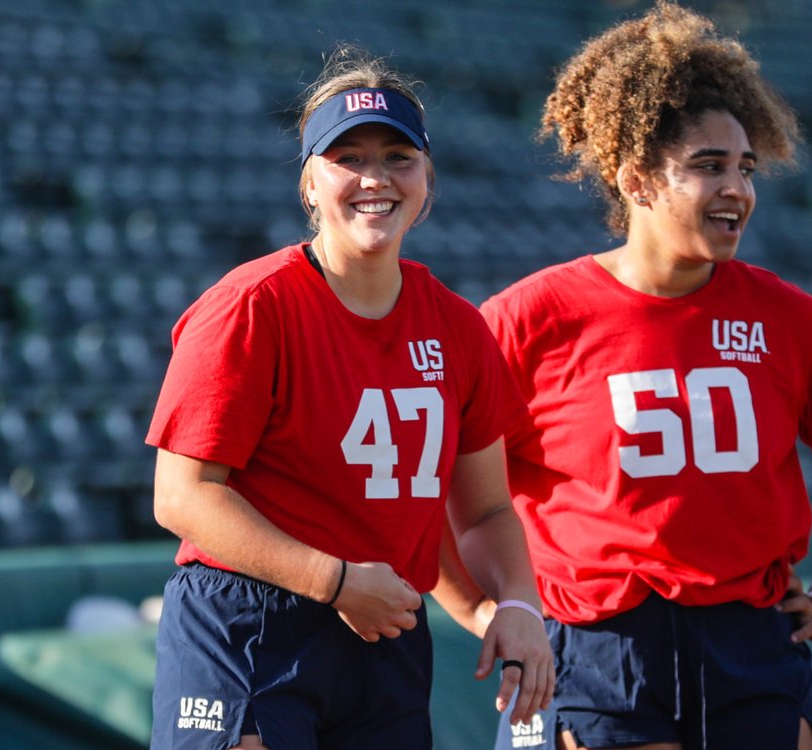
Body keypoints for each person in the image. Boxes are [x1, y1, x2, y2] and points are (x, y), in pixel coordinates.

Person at [473, 4, 812, 748]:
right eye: (708, 167)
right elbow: (452, 491)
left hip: (752, 650)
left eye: (746, 168)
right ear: (636, 178)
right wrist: (488, 612)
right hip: (598, 652)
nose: (737, 188)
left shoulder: (792, 319)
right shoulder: (526, 319)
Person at [146, 46, 553, 750]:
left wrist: (514, 603)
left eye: (398, 157)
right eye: (348, 158)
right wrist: (332, 582)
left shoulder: (458, 327)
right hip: (253, 619)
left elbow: (484, 509)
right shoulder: (251, 306)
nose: (375, 178)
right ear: (309, 185)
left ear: (428, 180)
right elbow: (182, 496)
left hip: (386, 630)